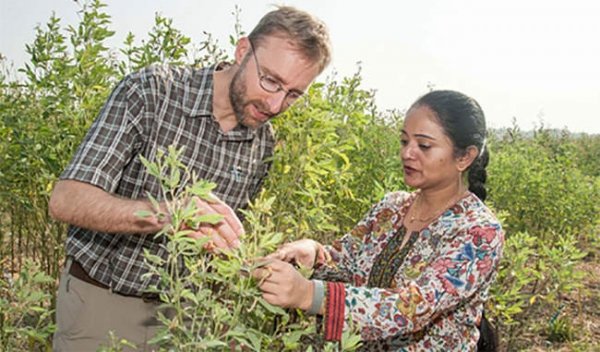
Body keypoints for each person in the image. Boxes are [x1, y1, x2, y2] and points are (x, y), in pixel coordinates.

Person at [48, 6, 331, 351]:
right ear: (242, 51)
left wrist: (275, 259)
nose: (275, 104)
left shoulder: (263, 144)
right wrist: (170, 215)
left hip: (185, 316)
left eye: (293, 94)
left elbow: (224, 241)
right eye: (270, 80)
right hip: (102, 302)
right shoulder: (152, 92)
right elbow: (66, 199)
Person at [255, 90, 504, 351]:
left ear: (464, 157)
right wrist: (313, 253)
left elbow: (413, 307)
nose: (408, 153)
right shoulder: (392, 208)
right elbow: (344, 261)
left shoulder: (479, 232)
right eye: (404, 141)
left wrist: (308, 294)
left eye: (424, 146)